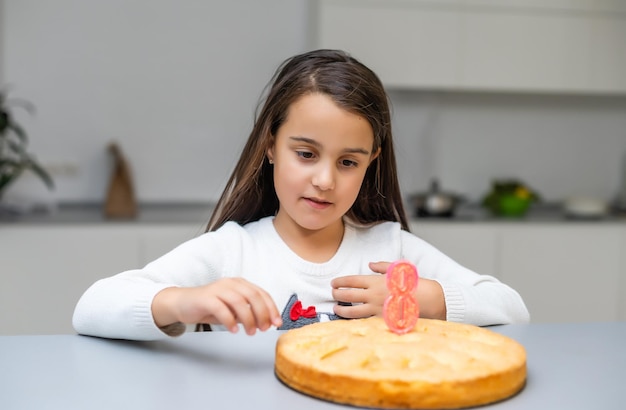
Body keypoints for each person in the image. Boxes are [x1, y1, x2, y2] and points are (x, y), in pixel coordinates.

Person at [73, 49, 529, 341]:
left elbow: (513, 308)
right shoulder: (232, 250)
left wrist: (425, 299)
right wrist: (180, 302)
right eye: (307, 154)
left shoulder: (392, 251)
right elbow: (91, 308)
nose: (325, 180)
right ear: (270, 145)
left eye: (348, 162)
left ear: (372, 161)